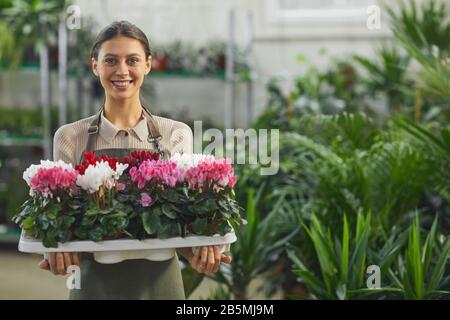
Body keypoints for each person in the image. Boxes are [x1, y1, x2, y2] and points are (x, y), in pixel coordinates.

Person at [38, 20, 232, 299]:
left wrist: (202, 249)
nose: (122, 71)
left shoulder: (175, 134)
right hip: (93, 284)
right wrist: (57, 249)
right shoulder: (70, 137)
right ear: (95, 66)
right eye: (110, 61)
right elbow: (61, 219)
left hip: (160, 283)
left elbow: (183, 219)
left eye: (132, 60)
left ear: (148, 65)